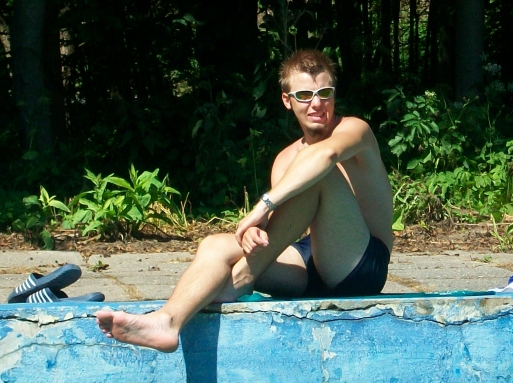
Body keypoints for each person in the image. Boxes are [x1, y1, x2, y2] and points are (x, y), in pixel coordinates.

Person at [96, 49, 393, 353]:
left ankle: (239, 280)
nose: (317, 103)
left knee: (318, 173)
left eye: (325, 93)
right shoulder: (285, 159)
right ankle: (167, 321)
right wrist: (255, 233)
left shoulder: (354, 130)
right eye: (304, 95)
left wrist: (262, 206)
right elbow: (284, 225)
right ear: (287, 100)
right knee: (215, 245)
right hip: (312, 261)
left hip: (362, 264)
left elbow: (325, 156)